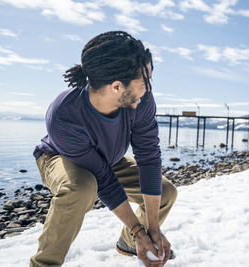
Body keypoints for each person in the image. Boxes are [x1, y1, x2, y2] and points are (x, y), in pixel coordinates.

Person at [30, 31, 177, 267]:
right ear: (117, 86)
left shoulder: (141, 100)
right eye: (145, 80)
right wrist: (139, 230)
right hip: (60, 156)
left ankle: (130, 244)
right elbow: (104, 181)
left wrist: (153, 229)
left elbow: (149, 157)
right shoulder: (64, 115)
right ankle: (44, 264)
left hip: (108, 158)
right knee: (81, 188)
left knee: (165, 192)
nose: (149, 87)